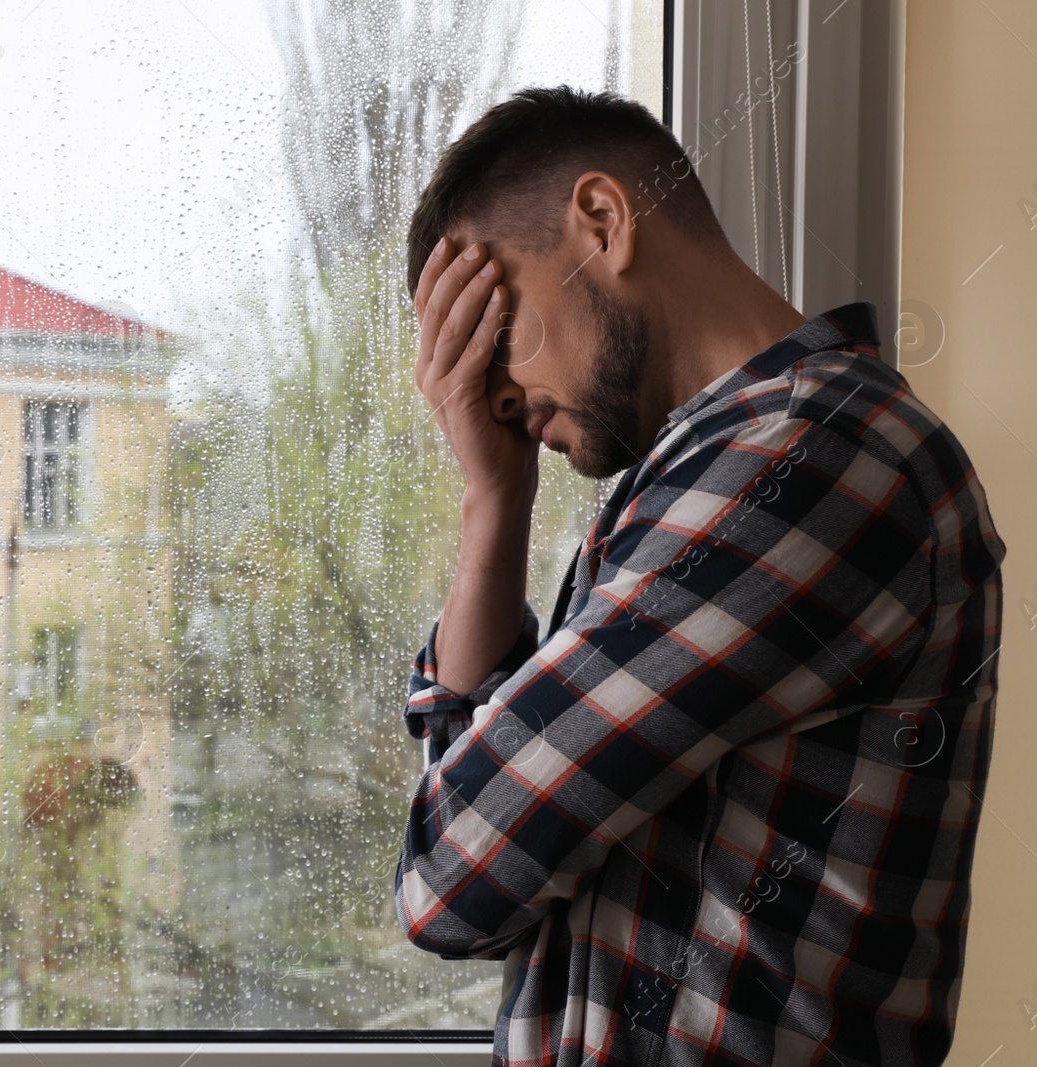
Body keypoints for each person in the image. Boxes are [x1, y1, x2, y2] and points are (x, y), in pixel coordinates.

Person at [394, 86, 1005, 1067]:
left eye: (489, 325)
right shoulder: (692, 482)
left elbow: (451, 883)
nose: (482, 387)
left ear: (601, 221)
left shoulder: (807, 463)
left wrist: (462, 848)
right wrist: (492, 504)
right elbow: (499, 895)